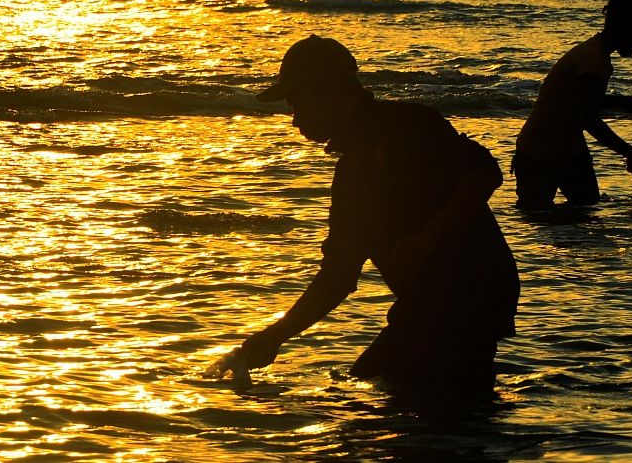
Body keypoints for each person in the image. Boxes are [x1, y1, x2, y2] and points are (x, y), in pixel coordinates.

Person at [209, 35, 519, 409]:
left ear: (330, 91)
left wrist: (427, 236)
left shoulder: (411, 123)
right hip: (426, 305)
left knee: (423, 408)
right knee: (385, 393)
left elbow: (484, 174)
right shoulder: (352, 172)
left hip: (473, 293)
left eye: (297, 102)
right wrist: (274, 336)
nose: (294, 119)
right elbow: (337, 277)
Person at [512, 0, 632, 209]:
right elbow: (588, 118)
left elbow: (576, 100)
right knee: (565, 215)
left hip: (563, 148)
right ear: (626, 28)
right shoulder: (594, 61)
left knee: (581, 216)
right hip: (540, 153)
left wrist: (630, 103)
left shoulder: (592, 52)